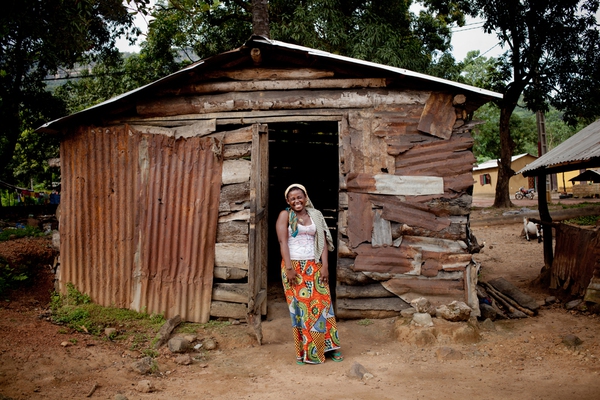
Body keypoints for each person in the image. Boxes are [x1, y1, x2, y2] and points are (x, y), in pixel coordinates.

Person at [276, 183, 343, 365]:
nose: (296, 201)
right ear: (288, 201)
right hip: (294, 268)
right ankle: (306, 352)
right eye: (292, 198)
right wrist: (289, 268)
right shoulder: (285, 215)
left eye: (299, 197)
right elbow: (283, 243)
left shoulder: (315, 215)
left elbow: (321, 242)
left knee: (324, 305)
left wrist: (325, 266)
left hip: (314, 265)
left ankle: (331, 348)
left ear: (306, 198)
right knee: (301, 310)